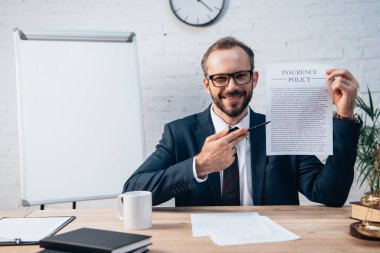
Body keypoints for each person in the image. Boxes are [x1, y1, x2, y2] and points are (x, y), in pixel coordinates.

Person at [123, 36, 362, 207]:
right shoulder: (179, 133)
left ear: (254, 79)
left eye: (240, 75)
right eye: (220, 78)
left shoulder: (284, 129)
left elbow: (331, 194)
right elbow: (132, 191)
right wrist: (200, 165)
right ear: (207, 85)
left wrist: (344, 116)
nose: (232, 87)